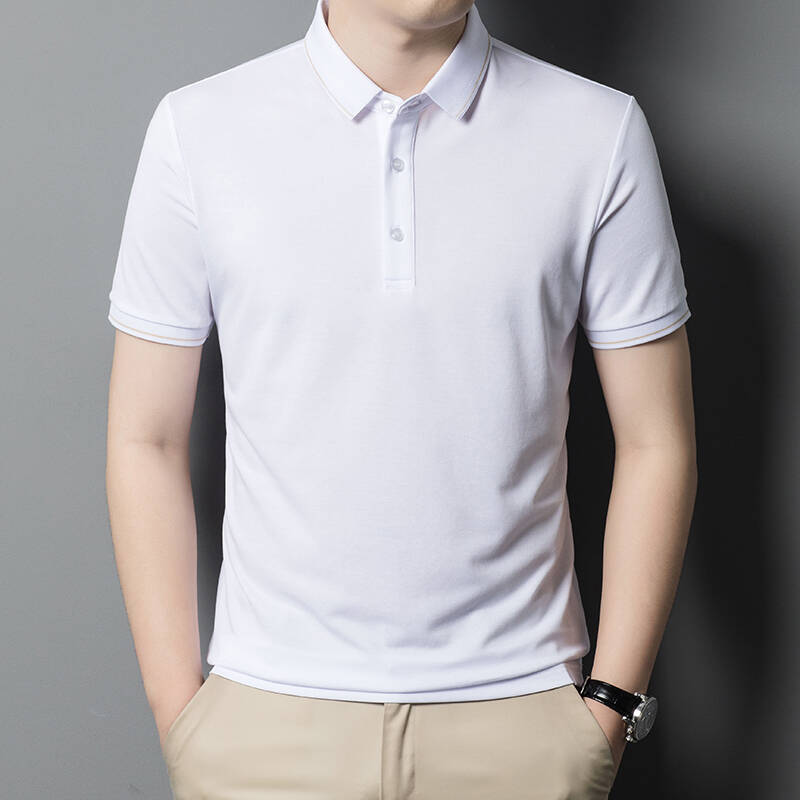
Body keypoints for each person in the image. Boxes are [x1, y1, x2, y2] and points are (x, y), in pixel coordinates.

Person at [105, 0, 697, 797]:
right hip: (265, 725)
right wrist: (183, 717)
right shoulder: (199, 129)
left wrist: (609, 709)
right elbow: (146, 437)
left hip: (521, 724)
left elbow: (658, 440)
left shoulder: (596, 131)